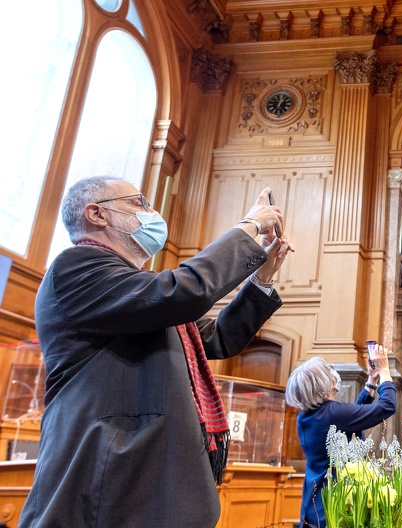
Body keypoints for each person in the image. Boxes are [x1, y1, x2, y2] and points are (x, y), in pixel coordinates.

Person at [20, 176, 293, 527]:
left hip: (153, 483)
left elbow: (220, 338)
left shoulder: (142, 294)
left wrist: (263, 276)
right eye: (140, 203)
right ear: (96, 214)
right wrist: (248, 226)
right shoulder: (76, 268)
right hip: (109, 483)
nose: (153, 213)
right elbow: (184, 292)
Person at [286, 351, 396, 528]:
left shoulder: (306, 416)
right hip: (335, 505)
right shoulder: (333, 413)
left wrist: (371, 383)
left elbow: (351, 416)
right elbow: (388, 406)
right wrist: (384, 371)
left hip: (316, 503)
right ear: (324, 383)